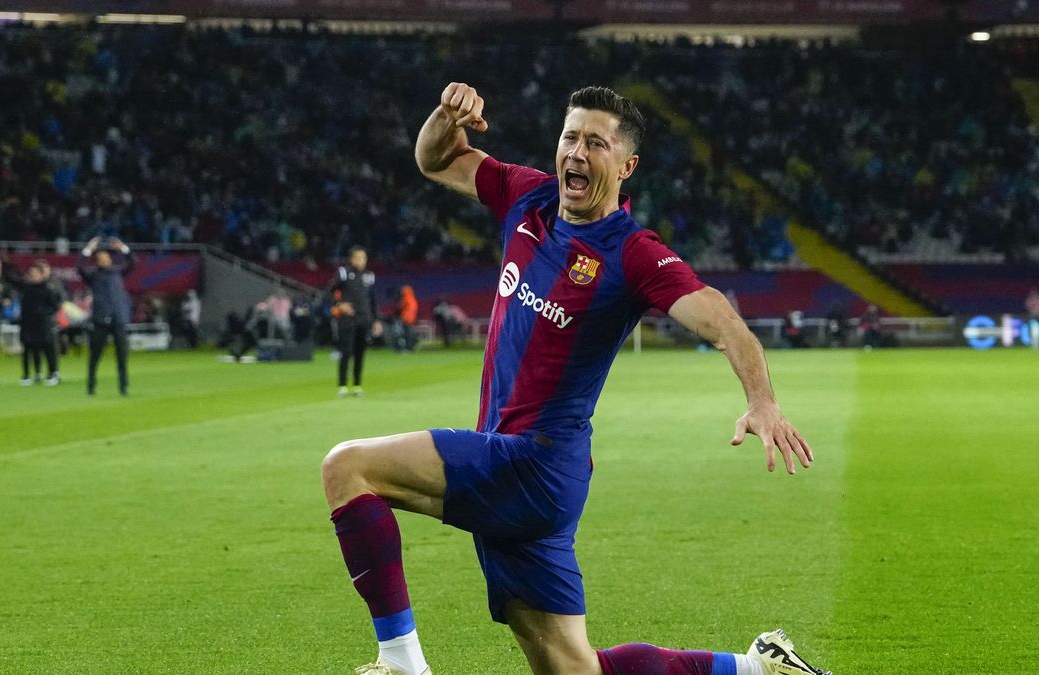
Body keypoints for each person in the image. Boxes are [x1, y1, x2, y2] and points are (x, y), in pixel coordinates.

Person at [321, 83, 827, 675]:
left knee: (347, 467)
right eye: (570, 137)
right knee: (577, 669)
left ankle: (401, 662)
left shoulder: (634, 253)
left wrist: (761, 400)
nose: (577, 153)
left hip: (532, 464)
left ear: (626, 165)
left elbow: (722, 322)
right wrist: (443, 116)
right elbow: (436, 158)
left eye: (595, 143)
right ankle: (757, 666)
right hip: (537, 475)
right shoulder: (527, 196)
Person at [78, 236, 135, 395]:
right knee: (95, 355)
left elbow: (133, 263)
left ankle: (123, 386)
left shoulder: (117, 272)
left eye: (107, 257)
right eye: (102, 258)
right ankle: (91, 385)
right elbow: (80, 268)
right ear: (97, 260)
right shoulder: (93, 275)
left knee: (122, 356)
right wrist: (87, 250)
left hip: (118, 318)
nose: (105, 260)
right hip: (100, 319)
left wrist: (123, 248)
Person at [329, 246, 381, 397]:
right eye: (358, 257)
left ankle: (357, 384)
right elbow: (328, 292)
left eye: (364, 258)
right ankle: (342, 385)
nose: (362, 260)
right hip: (348, 320)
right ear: (352, 259)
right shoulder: (344, 273)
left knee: (360, 353)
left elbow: (373, 300)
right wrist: (340, 305)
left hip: (364, 319)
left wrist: (376, 320)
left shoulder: (369, 276)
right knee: (346, 352)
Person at [11, 261, 62, 385]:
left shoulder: (48, 289)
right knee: (28, 348)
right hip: (28, 323)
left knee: (48, 348)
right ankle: (27, 374)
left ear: (42, 274)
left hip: (43, 324)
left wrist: (44, 313)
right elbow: (12, 280)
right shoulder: (27, 288)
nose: (32, 276)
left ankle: (53, 373)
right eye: (31, 273)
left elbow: (56, 305)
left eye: (35, 273)